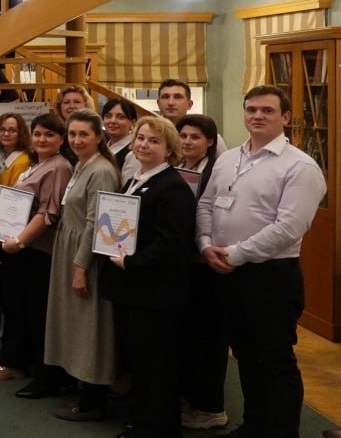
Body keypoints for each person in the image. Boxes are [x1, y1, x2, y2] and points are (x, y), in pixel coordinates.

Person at [196, 85, 326, 438]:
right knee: (245, 356)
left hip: (270, 278)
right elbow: (206, 204)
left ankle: (281, 433)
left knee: (275, 362)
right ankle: (254, 426)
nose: (257, 116)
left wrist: (236, 253)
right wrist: (205, 244)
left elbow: (289, 228)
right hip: (225, 272)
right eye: (251, 109)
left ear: (285, 117)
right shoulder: (228, 159)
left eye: (267, 110)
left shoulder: (300, 166)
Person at [102, 116, 196, 438]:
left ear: (169, 150)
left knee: (156, 365)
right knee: (139, 361)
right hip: (134, 290)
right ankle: (141, 421)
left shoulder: (173, 187)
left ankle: (157, 428)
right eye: (140, 138)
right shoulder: (137, 179)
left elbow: (172, 242)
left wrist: (133, 262)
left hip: (156, 293)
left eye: (154, 141)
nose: (144, 145)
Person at [0, 112, 71, 397]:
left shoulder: (58, 167)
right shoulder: (36, 164)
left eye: (49, 135)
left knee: (38, 314)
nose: (42, 139)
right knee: (22, 310)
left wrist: (20, 242)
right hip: (20, 249)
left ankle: (47, 377)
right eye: (38, 134)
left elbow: (48, 213)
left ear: (61, 139)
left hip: (37, 251)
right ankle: (27, 365)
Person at [45, 109, 120, 421]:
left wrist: (81, 268)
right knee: (74, 323)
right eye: (72, 134)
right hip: (69, 247)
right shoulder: (81, 165)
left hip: (84, 255)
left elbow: (96, 223)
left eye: (84, 134)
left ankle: (93, 400)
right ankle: (81, 388)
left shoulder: (101, 171)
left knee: (90, 325)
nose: (76, 140)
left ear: (99, 137)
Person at [175, 114, 229, 431]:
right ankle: (190, 398)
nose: (187, 142)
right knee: (187, 337)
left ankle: (211, 407)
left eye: (195, 137)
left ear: (210, 142)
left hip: (206, 265)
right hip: (182, 265)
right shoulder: (176, 168)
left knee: (208, 339)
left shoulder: (216, 174)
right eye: (183, 136)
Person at [102, 97, 137, 168]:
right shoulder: (102, 146)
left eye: (121, 117)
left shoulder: (134, 153)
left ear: (133, 122)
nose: (113, 121)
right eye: (108, 116)